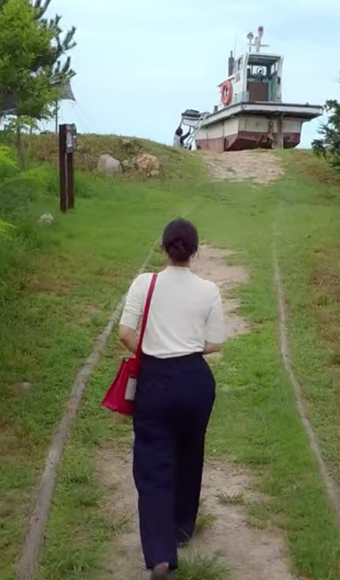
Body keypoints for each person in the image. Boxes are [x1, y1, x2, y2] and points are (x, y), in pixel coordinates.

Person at [118, 218, 225, 580]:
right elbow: (215, 343)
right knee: (190, 451)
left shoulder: (143, 284)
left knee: (153, 462)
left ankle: (160, 554)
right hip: (195, 380)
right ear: (194, 251)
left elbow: (125, 332)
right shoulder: (209, 290)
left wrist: (150, 352)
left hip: (155, 380)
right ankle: (182, 528)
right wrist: (188, 345)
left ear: (163, 248)